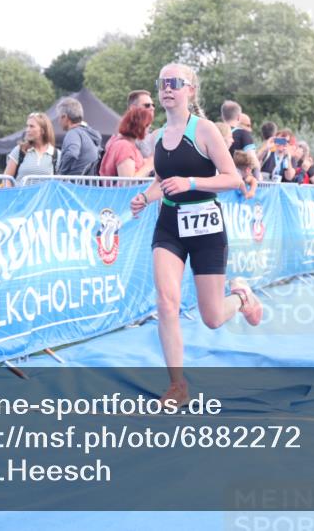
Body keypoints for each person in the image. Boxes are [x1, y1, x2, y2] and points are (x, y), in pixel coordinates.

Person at [130, 63, 262, 405]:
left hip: (206, 226)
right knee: (167, 301)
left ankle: (243, 298)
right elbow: (162, 181)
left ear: (190, 90)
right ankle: (177, 386)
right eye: (162, 83)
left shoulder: (204, 130)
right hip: (170, 224)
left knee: (213, 317)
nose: (167, 88)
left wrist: (191, 183)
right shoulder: (157, 136)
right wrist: (146, 197)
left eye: (175, 83)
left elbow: (232, 178)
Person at [99, 106, 155, 177]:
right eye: (147, 125)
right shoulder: (124, 146)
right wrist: (148, 166)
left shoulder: (123, 143)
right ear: (139, 126)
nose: (149, 129)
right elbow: (127, 182)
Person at [5, 112, 60, 185]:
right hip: (21, 196)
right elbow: (6, 179)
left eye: (31, 126)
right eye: (27, 126)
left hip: (45, 197)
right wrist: (11, 195)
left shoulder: (56, 154)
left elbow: (60, 183)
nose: (27, 130)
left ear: (42, 131)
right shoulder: (19, 150)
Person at [56, 97, 102, 175]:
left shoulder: (73, 133)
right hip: (89, 184)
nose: (58, 121)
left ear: (64, 117)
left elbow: (71, 154)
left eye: (59, 117)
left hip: (75, 185)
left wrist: (61, 174)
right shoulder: (89, 135)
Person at [221, 100, 260, 177]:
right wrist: (258, 177)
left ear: (222, 116)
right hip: (236, 179)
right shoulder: (244, 134)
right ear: (239, 117)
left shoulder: (215, 130)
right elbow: (253, 159)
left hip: (216, 177)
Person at [127, 89, 157, 160]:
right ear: (133, 108)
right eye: (147, 105)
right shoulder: (126, 138)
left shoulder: (154, 135)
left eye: (153, 105)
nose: (152, 108)